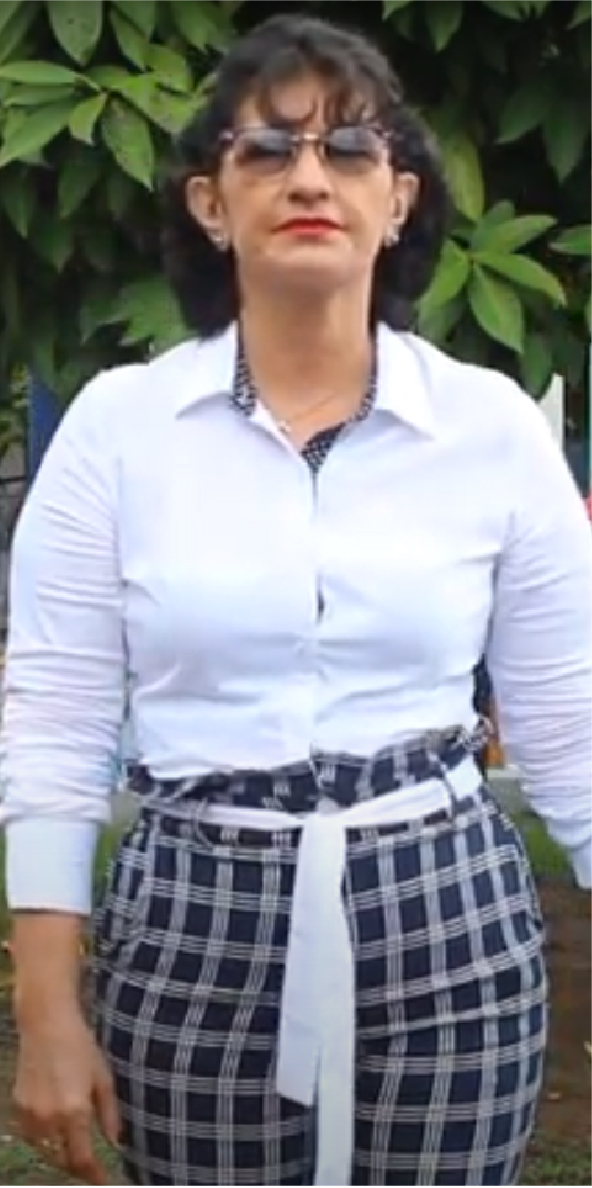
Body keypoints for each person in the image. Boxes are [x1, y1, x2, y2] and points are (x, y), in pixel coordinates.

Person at [2, 13, 591, 1187]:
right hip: (191, 911)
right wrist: (48, 1008)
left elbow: (570, 716)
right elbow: (56, 720)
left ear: (399, 199)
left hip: (447, 912)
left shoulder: (488, 429)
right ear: (210, 203)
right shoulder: (119, 430)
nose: (309, 178)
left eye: (349, 149)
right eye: (267, 149)